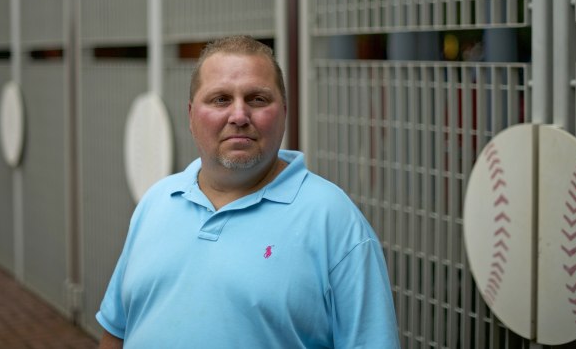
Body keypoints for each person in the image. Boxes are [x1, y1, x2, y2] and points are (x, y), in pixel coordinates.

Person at [97, 35, 399, 348]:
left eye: (257, 99)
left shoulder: (334, 220)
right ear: (190, 115)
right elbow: (116, 330)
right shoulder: (156, 202)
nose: (239, 116)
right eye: (220, 99)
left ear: (283, 112)